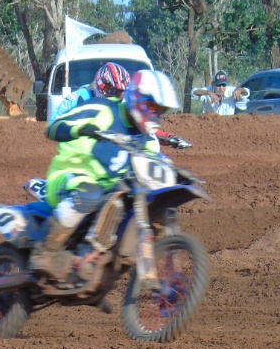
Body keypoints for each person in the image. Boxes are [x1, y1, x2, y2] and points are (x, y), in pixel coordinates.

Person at [30, 69, 180, 282]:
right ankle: (45, 252)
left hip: (109, 189)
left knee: (151, 201)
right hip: (70, 176)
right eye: (150, 106)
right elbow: (53, 128)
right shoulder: (101, 109)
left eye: (160, 110)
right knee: (88, 193)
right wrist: (83, 129)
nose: (154, 114)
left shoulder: (146, 139)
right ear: (136, 96)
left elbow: (152, 165)